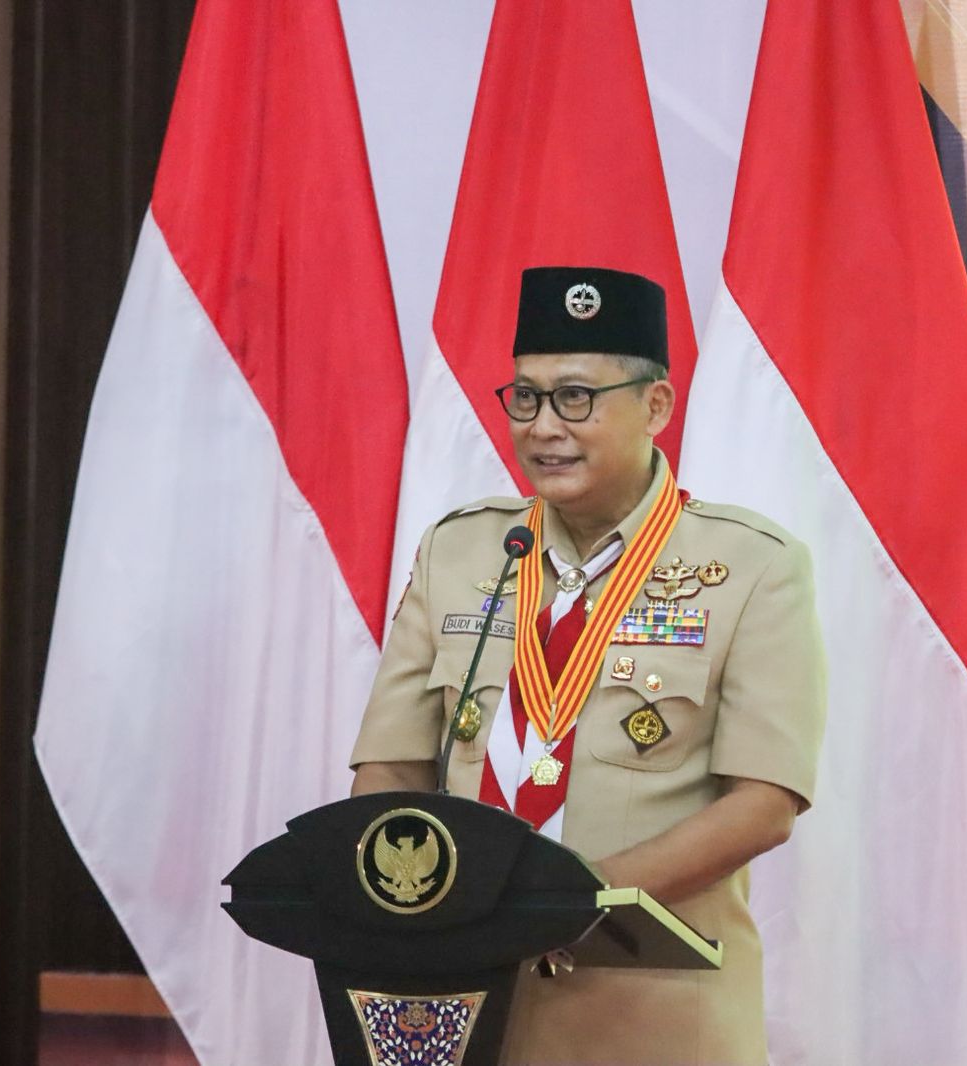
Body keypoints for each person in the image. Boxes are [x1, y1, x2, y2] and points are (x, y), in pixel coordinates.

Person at [349, 265, 826, 1065]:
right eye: (526, 398)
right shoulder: (461, 550)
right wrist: (412, 900)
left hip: (651, 1019)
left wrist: (563, 903)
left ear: (657, 407)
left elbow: (763, 806)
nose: (544, 427)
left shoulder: (753, 567)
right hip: (463, 1004)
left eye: (576, 398)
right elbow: (391, 770)